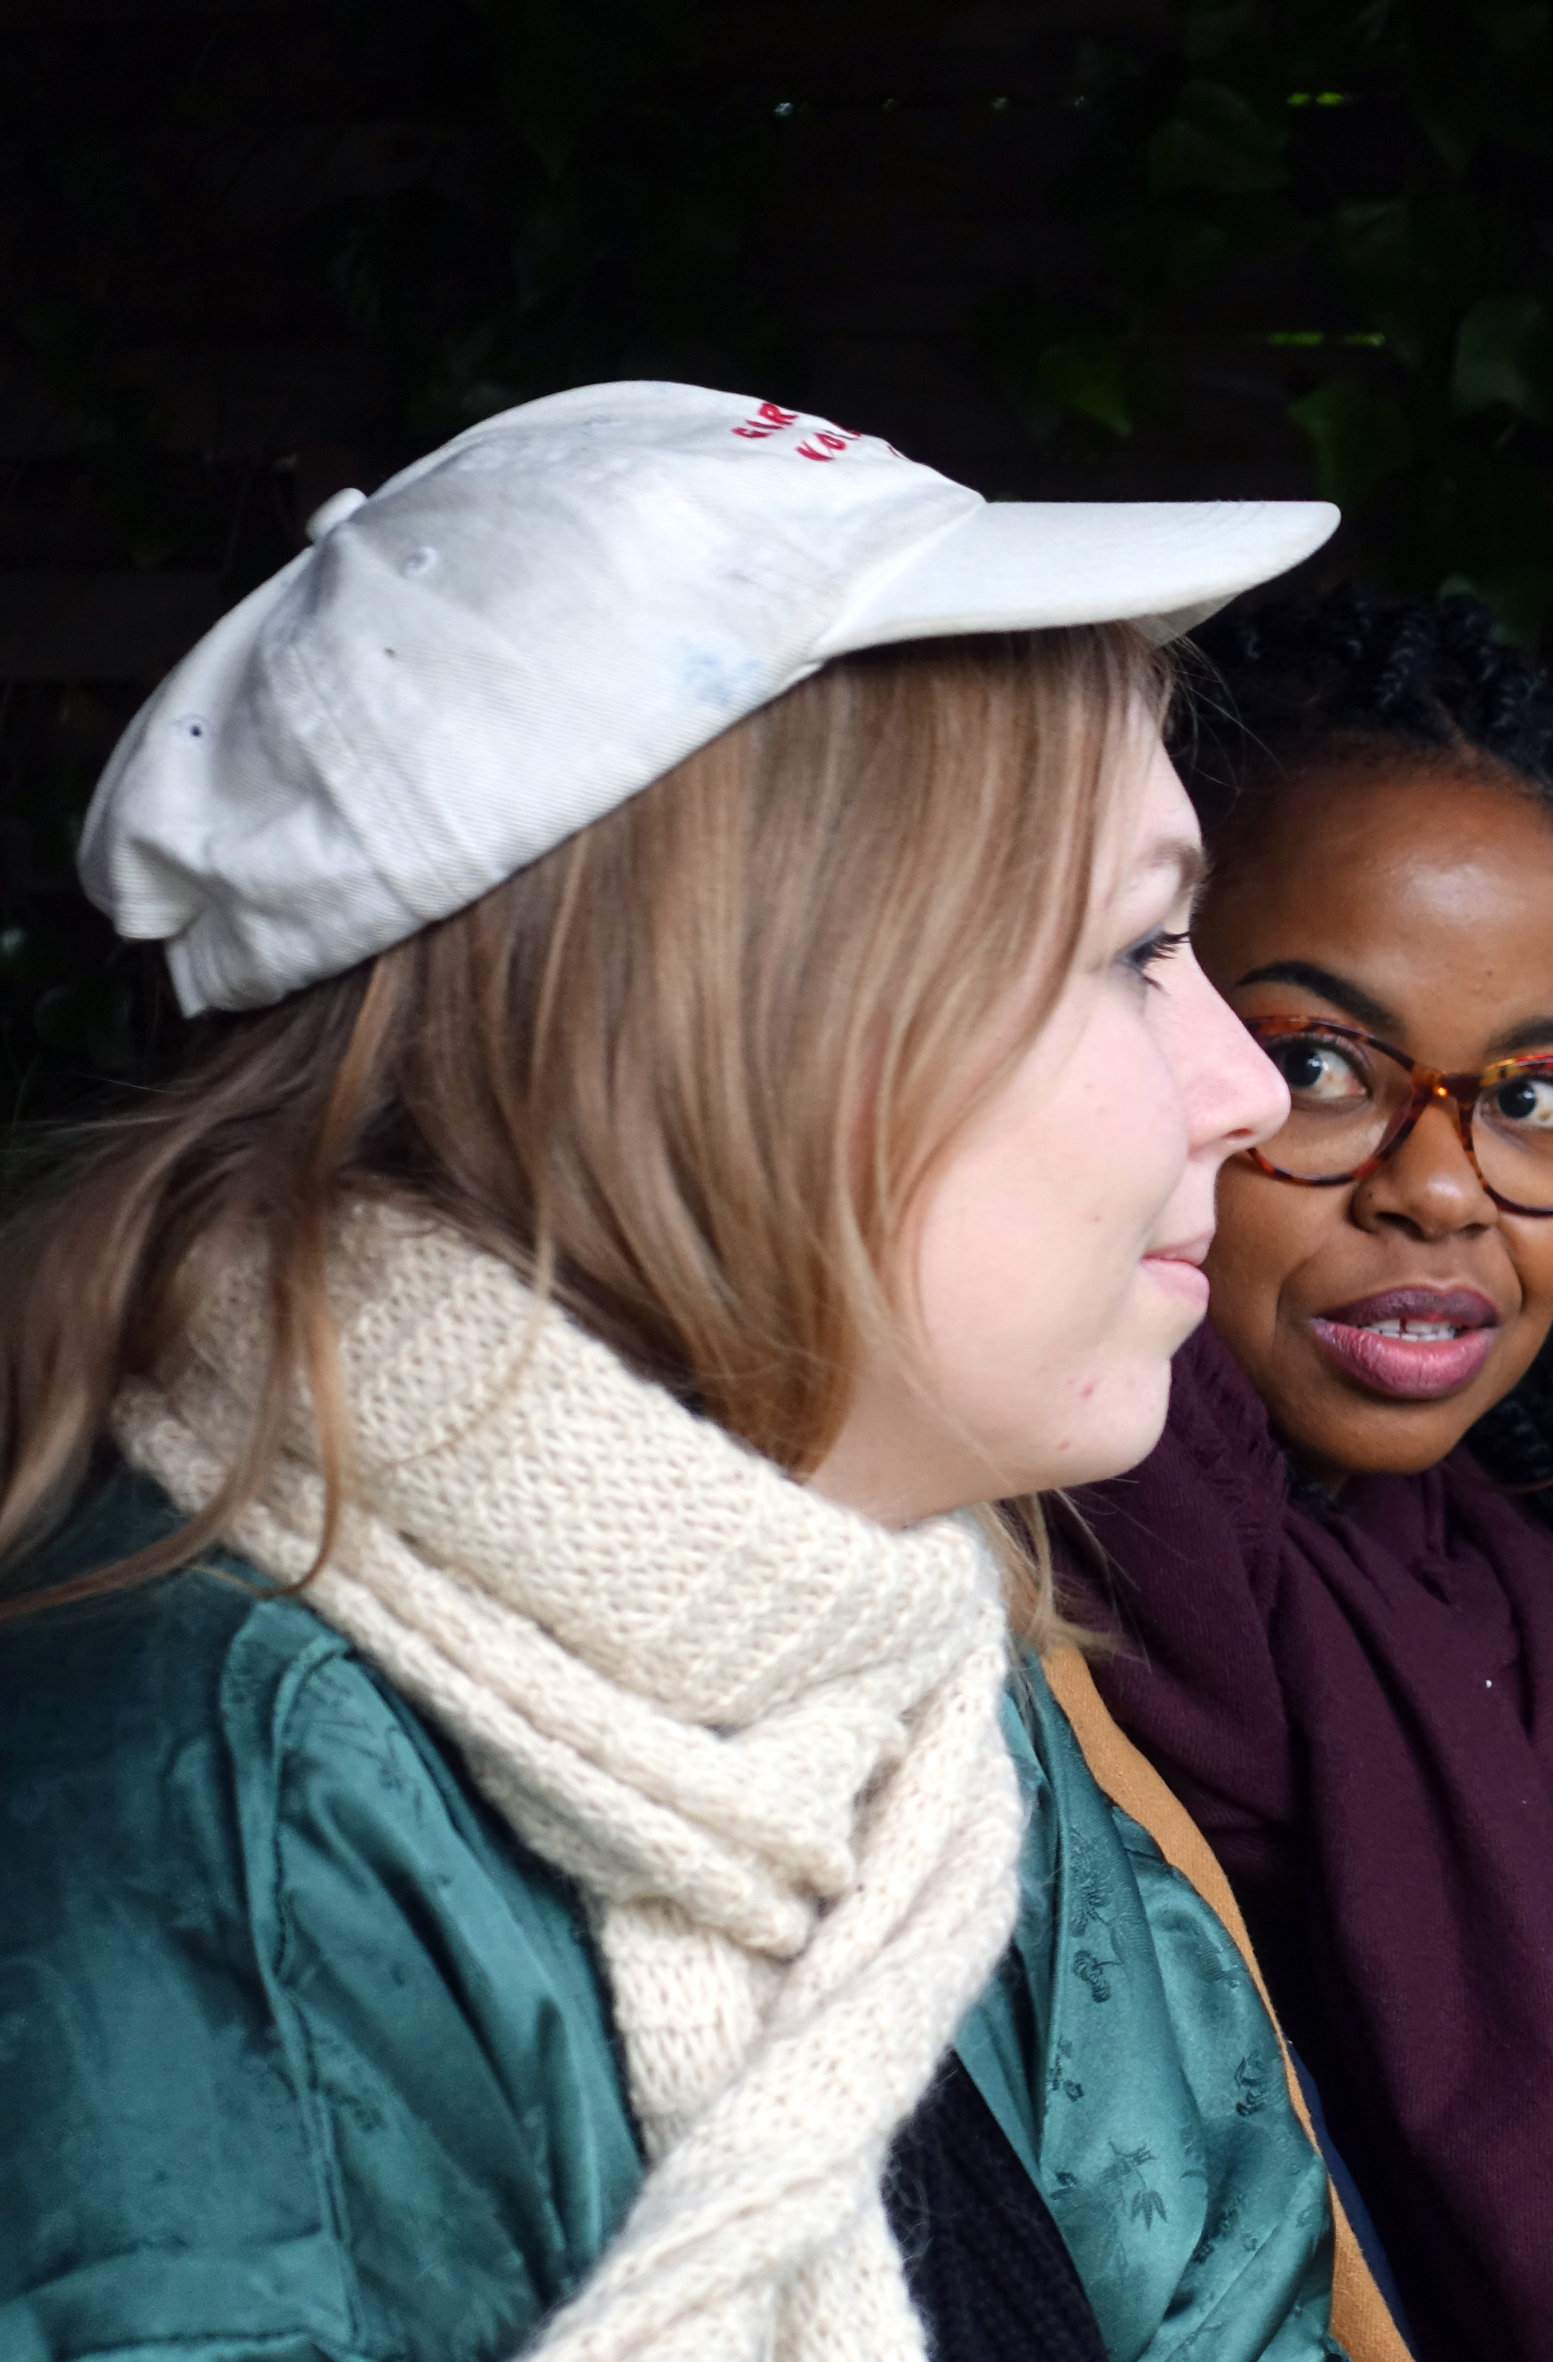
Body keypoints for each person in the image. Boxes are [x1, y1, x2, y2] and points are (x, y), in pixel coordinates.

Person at [0, 382, 1394, 2362]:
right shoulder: (207, 1807)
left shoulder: (905, 1683)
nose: (1247, 1089)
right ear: (756, 1020)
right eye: (1135, 951)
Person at [1062, 589, 1553, 2362]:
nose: (1441, 1188)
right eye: (1319, 1065)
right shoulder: (1012, 1618)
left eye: (1537, 1095)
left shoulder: (1481, 1635)